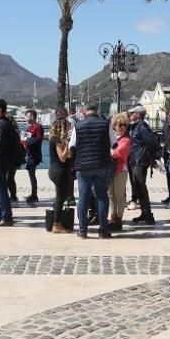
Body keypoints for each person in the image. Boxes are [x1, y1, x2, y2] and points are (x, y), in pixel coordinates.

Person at [70, 101, 113, 238]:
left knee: (83, 197)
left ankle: (83, 231)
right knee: (101, 196)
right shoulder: (106, 125)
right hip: (102, 165)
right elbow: (115, 143)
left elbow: (72, 147)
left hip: (83, 166)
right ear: (97, 111)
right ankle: (103, 230)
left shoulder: (78, 126)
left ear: (83, 111)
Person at [0, 99, 21, 226]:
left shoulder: (2, 124)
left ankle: (6, 217)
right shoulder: (1, 123)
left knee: (0, 190)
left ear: (0, 109)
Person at [128, 105, 158, 225]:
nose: (130, 115)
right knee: (138, 187)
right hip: (135, 160)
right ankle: (144, 214)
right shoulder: (136, 126)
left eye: (132, 113)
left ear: (138, 114)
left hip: (140, 161)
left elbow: (151, 143)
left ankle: (148, 215)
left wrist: (150, 157)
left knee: (141, 187)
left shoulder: (142, 127)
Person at [48, 110, 74, 233]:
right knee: (60, 197)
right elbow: (62, 157)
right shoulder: (56, 140)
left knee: (61, 197)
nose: (70, 127)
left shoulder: (55, 139)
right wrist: (69, 144)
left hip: (57, 170)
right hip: (59, 171)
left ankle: (56, 221)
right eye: (68, 125)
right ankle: (56, 224)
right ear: (63, 127)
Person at [108, 113, 131, 232]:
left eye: (124, 125)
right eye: (119, 125)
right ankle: (113, 216)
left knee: (119, 196)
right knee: (111, 195)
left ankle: (118, 218)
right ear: (114, 126)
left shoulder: (126, 140)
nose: (121, 127)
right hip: (110, 170)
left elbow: (117, 152)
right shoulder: (112, 138)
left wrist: (108, 152)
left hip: (120, 170)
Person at [22, 109, 43, 204]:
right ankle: (33, 193)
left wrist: (27, 141)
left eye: (27, 116)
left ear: (32, 116)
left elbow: (38, 139)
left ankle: (34, 195)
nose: (26, 118)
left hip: (34, 154)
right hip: (29, 153)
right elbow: (23, 140)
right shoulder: (28, 128)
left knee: (32, 174)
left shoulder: (38, 127)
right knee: (31, 174)